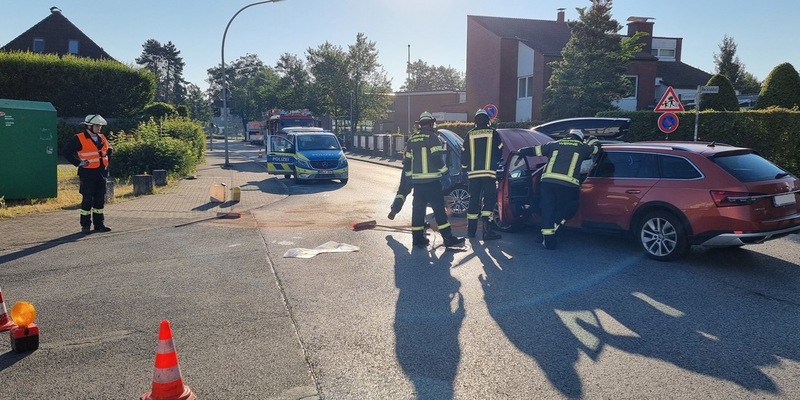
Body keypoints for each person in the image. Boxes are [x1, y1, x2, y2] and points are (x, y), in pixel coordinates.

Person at [517, 129, 600, 250]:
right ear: (580, 138)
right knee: (564, 210)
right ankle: (551, 231)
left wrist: (521, 151)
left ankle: (547, 239)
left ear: (568, 136)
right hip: (567, 185)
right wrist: (593, 139)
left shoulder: (554, 144)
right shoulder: (582, 147)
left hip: (547, 183)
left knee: (547, 210)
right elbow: (596, 149)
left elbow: (535, 150)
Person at [402, 112, 465, 248]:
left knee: (418, 212)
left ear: (420, 124)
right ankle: (448, 239)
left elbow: (407, 162)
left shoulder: (412, 140)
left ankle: (418, 239)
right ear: (430, 124)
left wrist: (408, 178)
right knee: (439, 212)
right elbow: (437, 159)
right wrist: (445, 173)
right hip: (432, 183)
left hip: (418, 184)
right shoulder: (433, 138)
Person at [63, 114, 113, 234]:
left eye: (100, 126)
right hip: (87, 174)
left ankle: (99, 224)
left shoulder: (102, 137)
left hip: (101, 173)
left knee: (99, 200)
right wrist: (78, 163)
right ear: (89, 126)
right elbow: (66, 152)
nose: (99, 128)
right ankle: (85, 226)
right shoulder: (79, 138)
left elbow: (108, 150)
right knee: (87, 199)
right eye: (97, 126)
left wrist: (107, 161)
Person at [461, 109, 503, 241]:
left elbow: (464, 153)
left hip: (473, 174)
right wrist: (495, 164)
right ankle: (487, 231)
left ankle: (471, 231)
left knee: (473, 200)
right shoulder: (493, 133)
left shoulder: (469, 134)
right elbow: (500, 149)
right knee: (489, 201)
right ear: (487, 120)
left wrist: (464, 168)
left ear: (475, 121)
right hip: (489, 174)